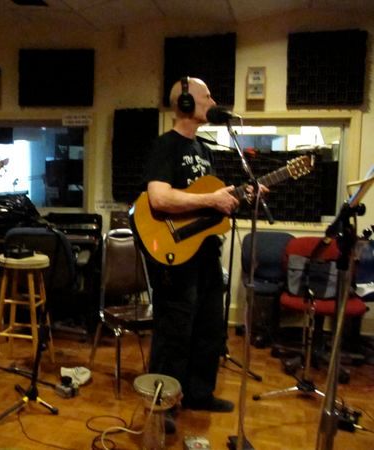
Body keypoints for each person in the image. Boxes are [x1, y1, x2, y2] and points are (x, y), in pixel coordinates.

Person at [145, 77, 241, 428]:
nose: (213, 101)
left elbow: (207, 202)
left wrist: (237, 197)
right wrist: (212, 199)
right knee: (175, 330)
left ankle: (200, 394)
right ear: (186, 103)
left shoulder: (205, 150)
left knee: (209, 326)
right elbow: (159, 198)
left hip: (205, 251)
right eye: (207, 96)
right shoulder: (165, 147)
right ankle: (163, 404)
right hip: (176, 254)